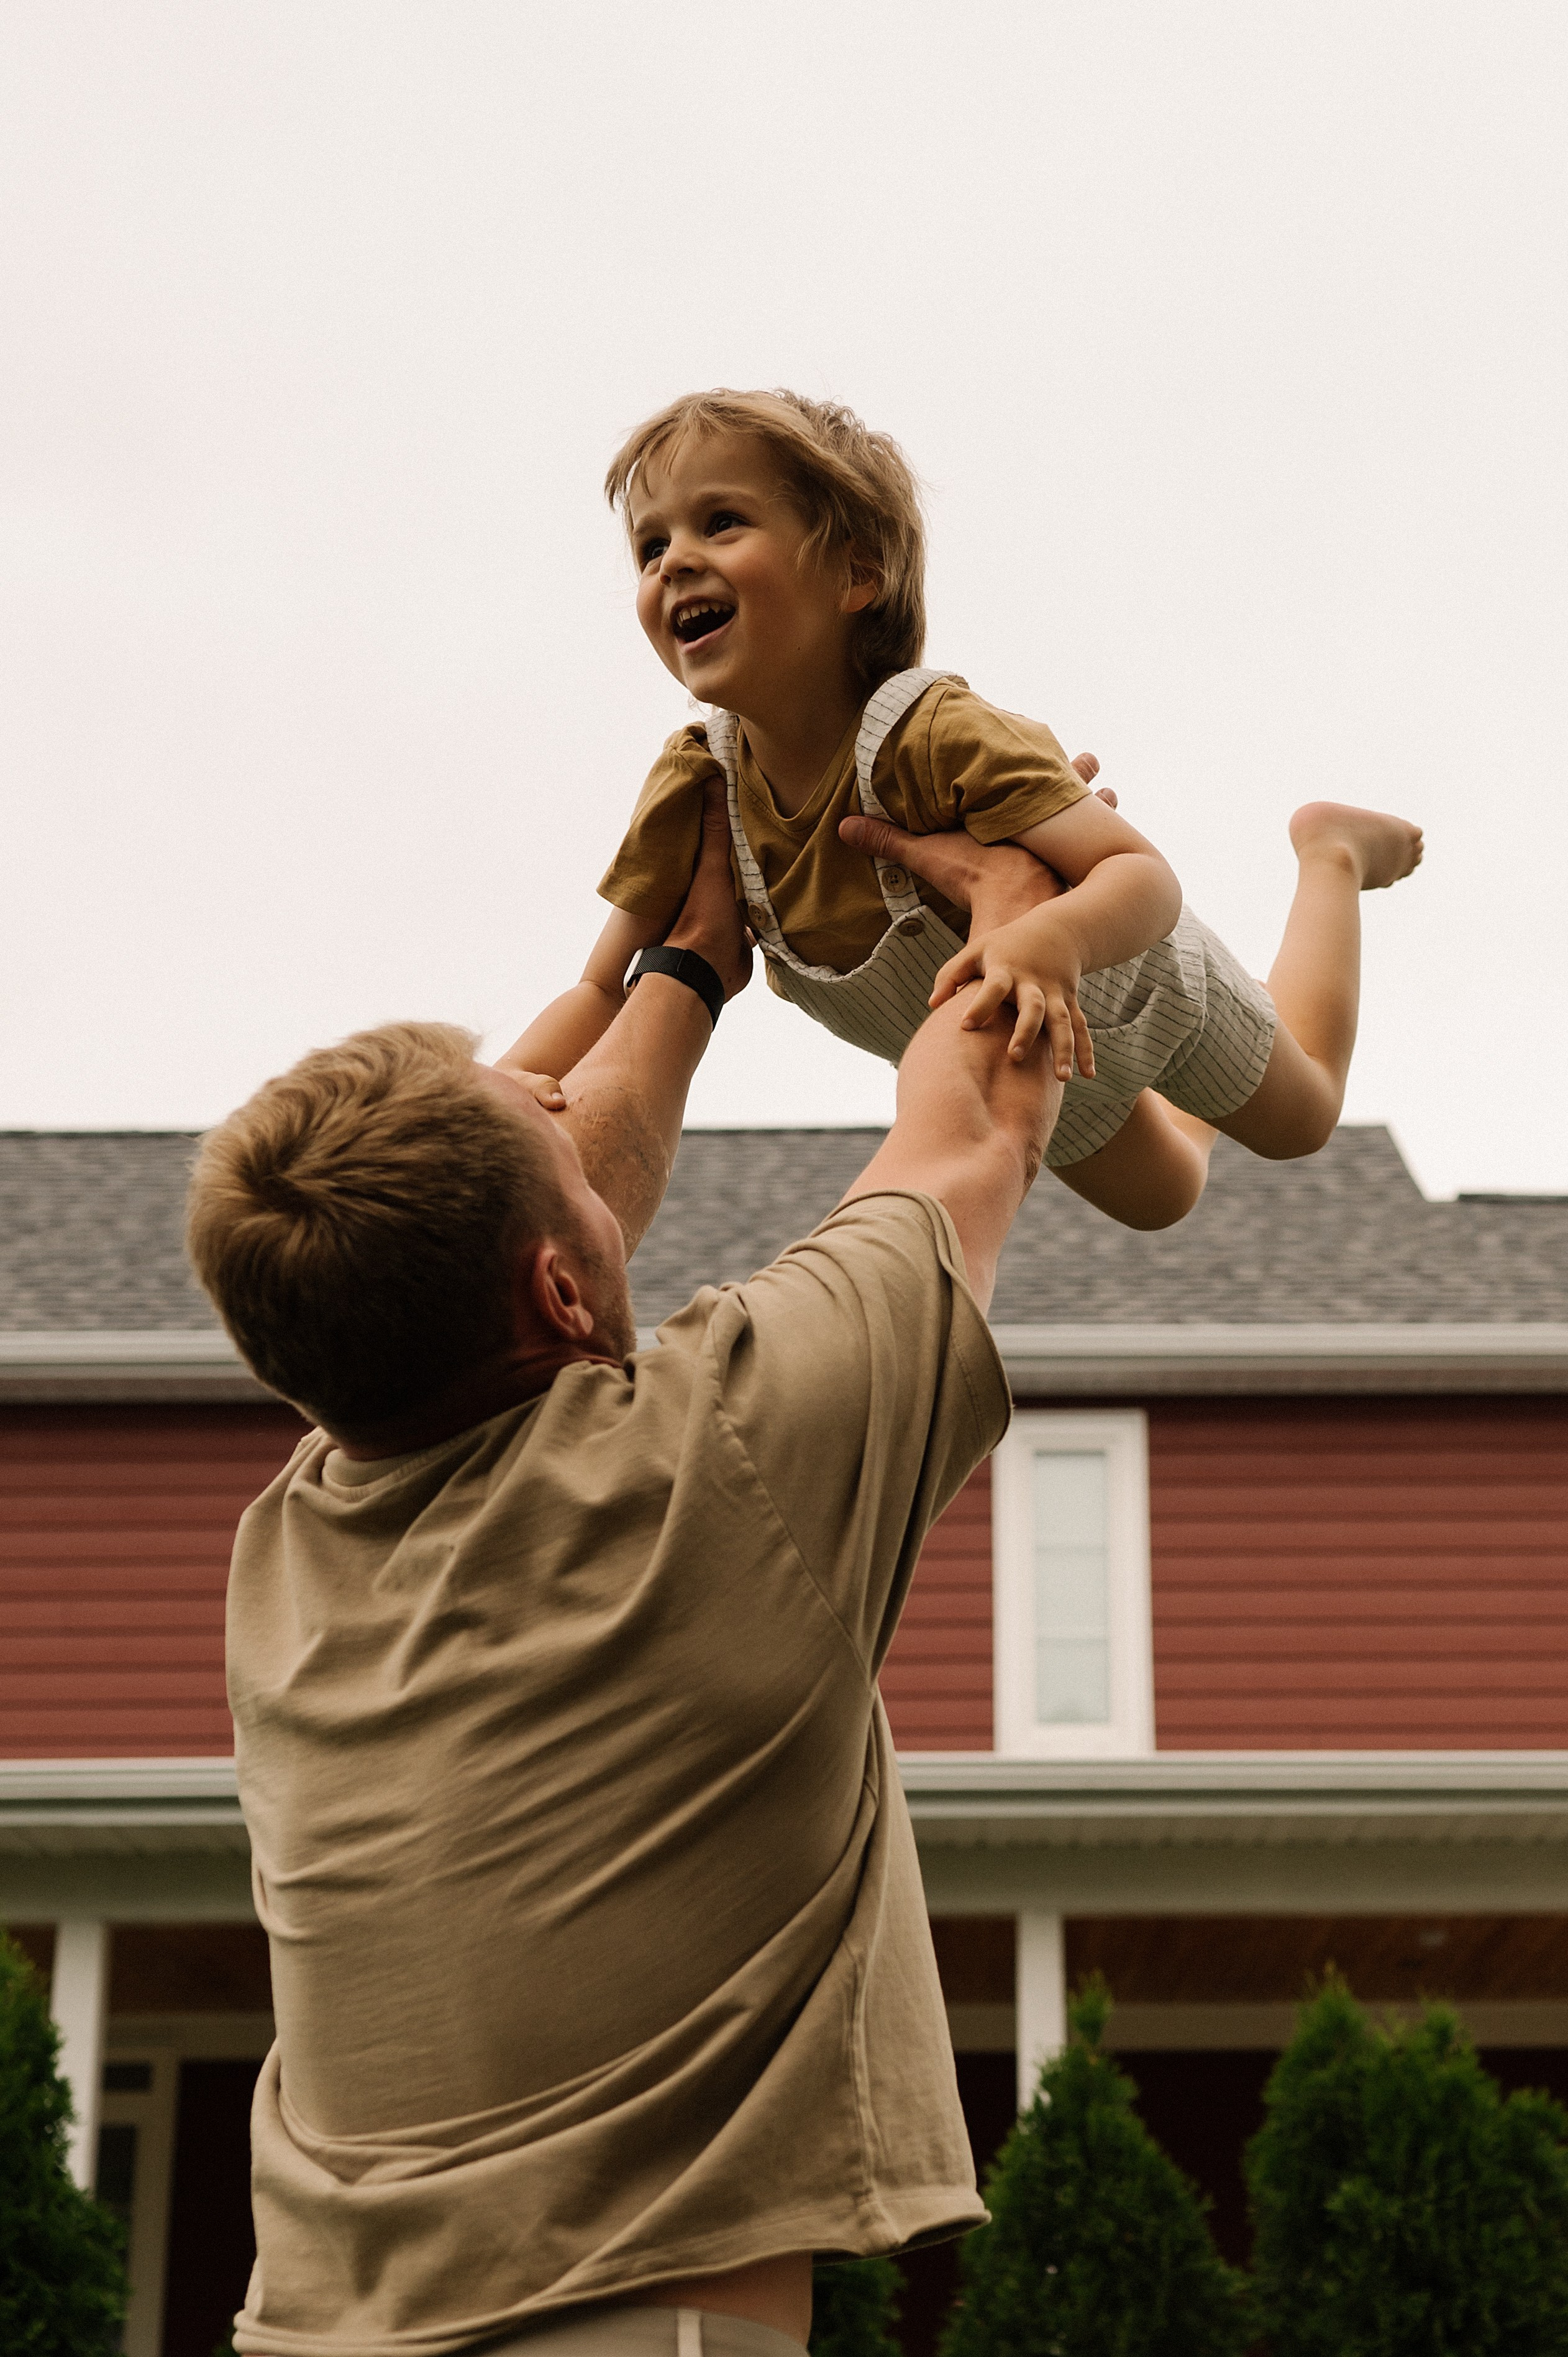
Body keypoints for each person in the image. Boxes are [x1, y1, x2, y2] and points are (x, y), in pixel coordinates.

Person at [185, 787, 1067, 2356]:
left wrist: (680, 962)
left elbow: (499, 1227)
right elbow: (981, 1121)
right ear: (558, 1284)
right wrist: (1013, 901)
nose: (581, 1131)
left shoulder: (295, 1552)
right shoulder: (722, 1457)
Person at [508, 388, 1423, 1232]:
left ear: (854, 574)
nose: (676, 563)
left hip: (1138, 984)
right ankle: (1199, 1078)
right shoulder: (700, 787)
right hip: (1045, 1062)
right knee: (1166, 1195)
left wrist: (1051, 941)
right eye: (650, 546)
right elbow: (601, 987)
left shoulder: (930, 733)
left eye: (721, 522)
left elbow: (1141, 877)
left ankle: (1329, 854)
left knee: (1302, 1118)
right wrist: (497, 1094)